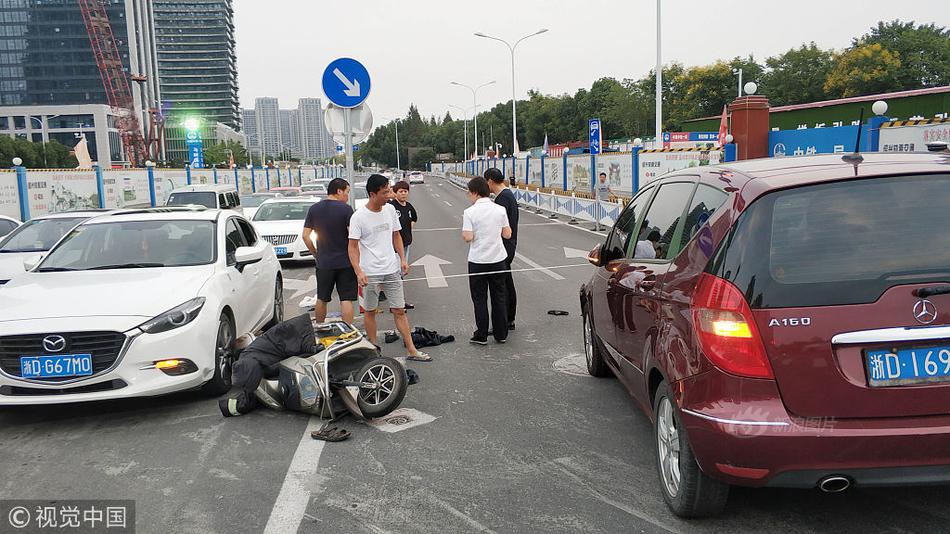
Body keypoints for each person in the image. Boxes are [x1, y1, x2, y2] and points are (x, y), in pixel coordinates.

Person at [348, 174, 431, 361]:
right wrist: (358, 271)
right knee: (370, 312)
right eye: (385, 192)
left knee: (399, 310)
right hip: (370, 273)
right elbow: (352, 247)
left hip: (392, 269)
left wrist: (402, 259)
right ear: (372, 193)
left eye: (390, 191)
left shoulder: (390, 211)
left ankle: (412, 350)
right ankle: (373, 351)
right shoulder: (358, 217)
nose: (390, 195)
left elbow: (396, 236)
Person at [219, 313, 317, 417]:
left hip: (297, 333)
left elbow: (254, 383)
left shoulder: (249, 360)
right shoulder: (254, 355)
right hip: (297, 331)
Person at [462, 176, 512, 345]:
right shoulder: (500, 210)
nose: (469, 195)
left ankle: (481, 335)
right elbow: (507, 234)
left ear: (475, 192)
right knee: (499, 296)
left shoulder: (469, 212)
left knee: (479, 299)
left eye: (469, 192)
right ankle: (501, 334)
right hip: (498, 259)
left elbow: (467, 237)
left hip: (477, 261)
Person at [302, 178, 357, 324]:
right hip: (345, 262)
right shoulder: (346, 209)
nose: (347, 196)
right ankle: (348, 332)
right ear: (339, 191)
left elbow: (305, 236)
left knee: (322, 298)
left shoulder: (314, 209)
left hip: (324, 262)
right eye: (347, 192)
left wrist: (315, 253)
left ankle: (319, 327)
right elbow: (353, 237)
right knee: (346, 299)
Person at [485, 167, 518, 331]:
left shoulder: (502, 199)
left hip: (503, 247)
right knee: (507, 284)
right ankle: (509, 319)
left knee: (501, 288)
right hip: (509, 245)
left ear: (490, 181)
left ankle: (504, 320)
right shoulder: (507, 195)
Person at [389, 181, 418, 310]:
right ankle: (396, 303)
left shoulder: (409, 206)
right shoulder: (391, 206)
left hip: (406, 243)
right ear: (395, 193)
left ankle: (400, 301)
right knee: (395, 274)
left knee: (401, 273)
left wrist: (409, 229)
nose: (403, 194)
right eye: (400, 191)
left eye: (405, 191)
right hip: (393, 246)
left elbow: (414, 218)